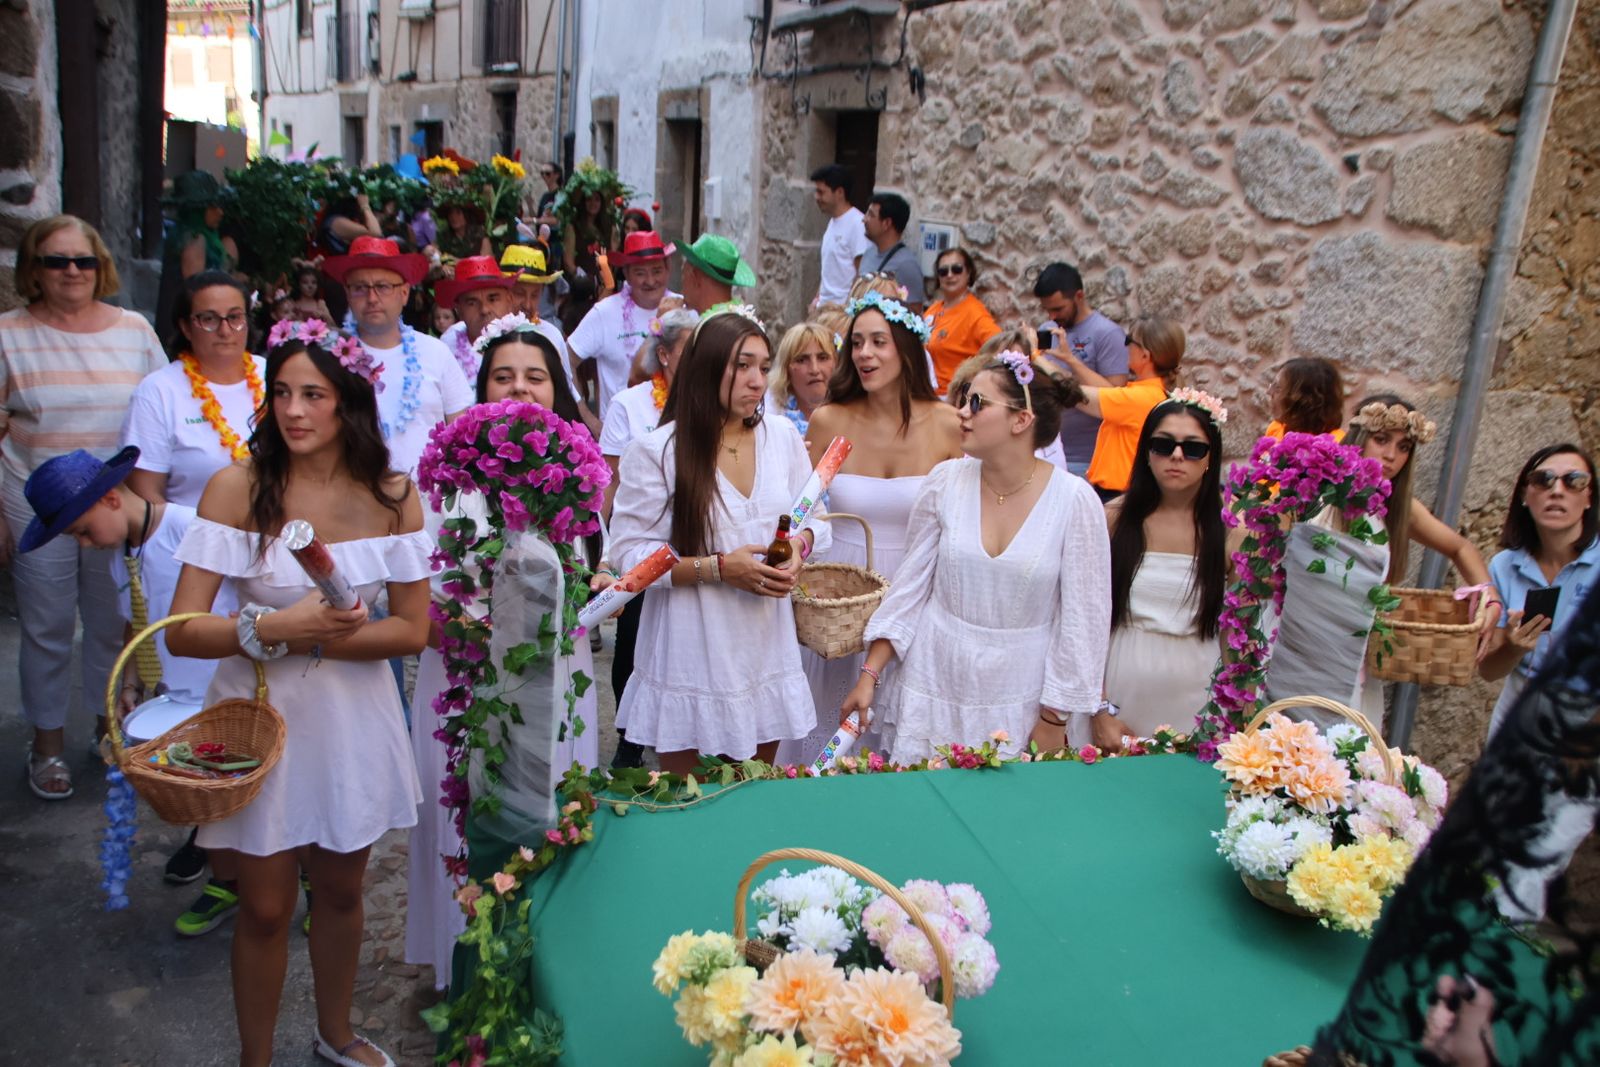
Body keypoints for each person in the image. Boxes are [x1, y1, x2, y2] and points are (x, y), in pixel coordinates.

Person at [165, 327, 431, 1067]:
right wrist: (276, 627)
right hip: (262, 720)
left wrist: (315, 639)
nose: (292, 410)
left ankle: (336, 1034)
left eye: (313, 394)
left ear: (350, 403)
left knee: (341, 892)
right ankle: (254, 1059)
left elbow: (413, 630)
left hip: (351, 721)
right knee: (264, 905)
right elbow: (181, 631)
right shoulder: (237, 488)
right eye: (281, 392)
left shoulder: (393, 496)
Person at [406, 317, 607, 985]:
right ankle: (464, 975)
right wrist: (479, 639)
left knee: (552, 813)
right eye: (503, 376)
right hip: (463, 675)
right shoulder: (450, 479)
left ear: (557, 389)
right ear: (481, 387)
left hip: (557, 677)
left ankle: (539, 972)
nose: (520, 388)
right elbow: (419, 595)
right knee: (464, 822)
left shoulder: (575, 474)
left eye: (535, 376)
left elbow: (588, 571)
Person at [840, 350, 1112, 762]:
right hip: (933, 681)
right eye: (965, 398)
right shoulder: (944, 482)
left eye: (978, 403)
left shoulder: (1075, 502)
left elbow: (1083, 624)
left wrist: (1054, 719)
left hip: (1023, 696)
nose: (962, 412)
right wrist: (869, 675)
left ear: (1021, 420)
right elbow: (909, 590)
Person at [609, 310, 828, 774]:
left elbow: (814, 519)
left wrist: (798, 550)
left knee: (754, 794)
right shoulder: (658, 451)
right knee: (692, 800)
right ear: (707, 366)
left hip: (764, 650)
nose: (757, 380)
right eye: (742, 365)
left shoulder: (782, 436)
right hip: (691, 652)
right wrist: (719, 568)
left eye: (763, 367)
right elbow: (629, 557)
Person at [0, 215, 167, 800]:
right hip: (34, 501)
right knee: (45, 627)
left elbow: (160, 410)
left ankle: (108, 728)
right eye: (56, 260)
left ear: (101, 266)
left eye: (83, 260)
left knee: (111, 623)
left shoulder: (135, 330)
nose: (72, 271)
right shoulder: (8, 333)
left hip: (112, 502)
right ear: (34, 269)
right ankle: (46, 745)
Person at [776, 290, 963, 765]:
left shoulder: (946, 424)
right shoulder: (829, 420)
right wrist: (795, 545)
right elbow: (803, 511)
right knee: (830, 728)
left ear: (906, 349)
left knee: (898, 734)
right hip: (841, 595)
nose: (864, 353)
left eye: (879, 342)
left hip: (915, 590)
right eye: (857, 342)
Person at [1100, 394, 1233, 744]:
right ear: (1147, 451)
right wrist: (1099, 709)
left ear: (1211, 457)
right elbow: (1088, 621)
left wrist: (1237, 713)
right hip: (1121, 689)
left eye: (1193, 448)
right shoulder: (1113, 519)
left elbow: (1237, 634)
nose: (1176, 456)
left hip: (1199, 694)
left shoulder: (1231, 530)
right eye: (1163, 444)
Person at [322, 236, 474, 476]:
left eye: (383, 286)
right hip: (353, 493)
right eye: (360, 288)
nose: (372, 298)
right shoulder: (330, 357)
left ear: (404, 293)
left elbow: (462, 434)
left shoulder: (436, 352)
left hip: (429, 497)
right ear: (347, 294)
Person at [1480, 443, 1600, 733]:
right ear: (1524, 494)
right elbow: (1488, 671)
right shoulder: (1504, 566)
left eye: (1574, 481)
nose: (1557, 490)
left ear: (1589, 497)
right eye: (1543, 480)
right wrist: (1513, 648)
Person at [126, 272, 266, 507]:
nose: (225, 330)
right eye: (209, 319)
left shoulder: (273, 375)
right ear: (186, 328)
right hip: (191, 529)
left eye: (234, 317)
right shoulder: (158, 391)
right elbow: (145, 496)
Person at [568, 231, 680, 423]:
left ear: (668, 269)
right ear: (626, 274)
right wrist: (586, 417)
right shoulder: (605, 312)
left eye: (656, 271)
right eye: (640, 273)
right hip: (619, 434)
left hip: (673, 430)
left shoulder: (683, 309)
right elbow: (565, 360)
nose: (650, 281)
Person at [1033, 262, 1128, 476]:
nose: (1052, 317)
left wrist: (1071, 361)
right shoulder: (1047, 330)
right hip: (1046, 453)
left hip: (1088, 459)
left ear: (1079, 296)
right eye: (1047, 310)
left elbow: (1116, 397)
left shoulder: (1107, 333)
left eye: (1058, 309)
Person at [1078, 317, 1185, 500]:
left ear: (1145, 356)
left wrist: (1037, 360)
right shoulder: (1151, 393)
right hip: (1123, 494)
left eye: (1129, 340)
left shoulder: (1141, 398)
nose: (1126, 346)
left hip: (1119, 497)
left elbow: (1075, 395)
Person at [156, 171, 242, 335]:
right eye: (213, 207)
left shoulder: (194, 234)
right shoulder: (194, 239)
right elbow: (196, 289)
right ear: (199, 210)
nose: (220, 212)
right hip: (188, 326)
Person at [923, 247, 999, 392]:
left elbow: (1001, 347)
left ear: (968, 273)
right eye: (943, 271)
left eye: (956, 269)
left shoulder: (975, 313)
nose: (949, 275)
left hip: (951, 395)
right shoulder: (934, 309)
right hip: (926, 391)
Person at [810, 163, 870, 307]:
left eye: (821, 192)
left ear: (839, 192)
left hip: (840, 311)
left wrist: (847, 308)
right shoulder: (832, 222)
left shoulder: (857, 224)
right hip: (824, 309)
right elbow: (829, 270)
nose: (817, 197)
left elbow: (862, 274)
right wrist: (816, 299)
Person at [768, 322, 837, 440]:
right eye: (801, 360)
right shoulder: (771, 421)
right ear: (786, 370)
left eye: (822, 358)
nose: (814, 370)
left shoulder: (854, 414)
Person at [858, 192, 924, 312]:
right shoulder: (868, 253)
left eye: (871, 215)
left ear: (886, 223)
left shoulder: (906, 265)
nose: (864, 219)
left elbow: (914, 312)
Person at [1265, 357, 1346, 440]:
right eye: (1272, 385)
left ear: (1304, 400)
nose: (1269, 392)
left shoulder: (1336, 443)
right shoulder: (1275, 430)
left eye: (1277, 388)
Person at [677, 233, 757, 314]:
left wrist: (671, 318)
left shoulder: (714, 322)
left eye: (684, 276)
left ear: (695, 276)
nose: (682, 289)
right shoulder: (740, 317)